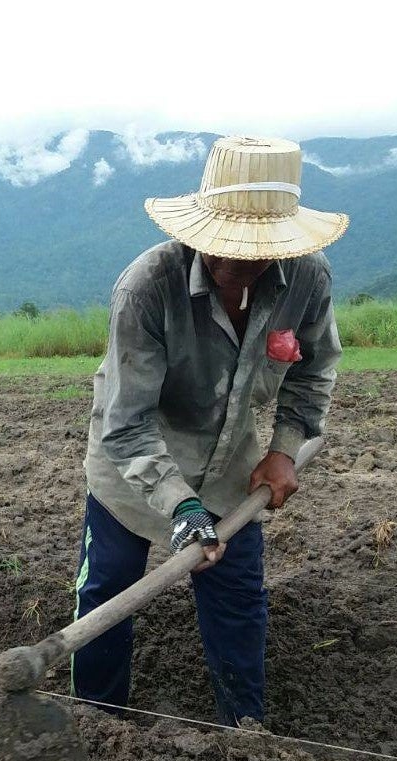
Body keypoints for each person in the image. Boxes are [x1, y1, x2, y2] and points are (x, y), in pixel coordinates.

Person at [75, 136, 347, 727]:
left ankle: (242, 733)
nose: (233, 266)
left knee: (238, 600)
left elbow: (315, 369)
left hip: (230, 469)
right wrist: (181, 507)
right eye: (221, 249)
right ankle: (97, 725)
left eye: (253, 253)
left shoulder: (306, 278)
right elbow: (126, 422)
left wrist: (283, 452)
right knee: (109, 592)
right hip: (133, 467)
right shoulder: (146, 288)